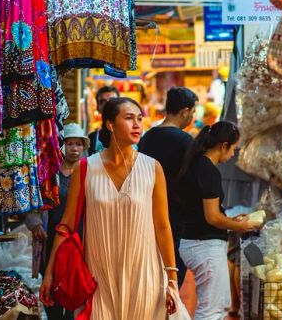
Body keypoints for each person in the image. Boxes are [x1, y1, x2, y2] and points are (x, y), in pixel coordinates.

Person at [40, 97, 179, 319]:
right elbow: (65, 226)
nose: (137, 125)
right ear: (110, 125)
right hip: (98, 276)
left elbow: (163, 227)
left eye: (140, 119)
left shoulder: (153, 168)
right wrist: (49, 273)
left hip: (144, 273)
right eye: (129, 118)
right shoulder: (86, 168)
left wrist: (172, 278)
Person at [178, 121, 262, 320]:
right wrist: (241, 226)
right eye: (233, 148)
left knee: (215, 306)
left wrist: (231, 220)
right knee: (213, 310)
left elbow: (207, 211)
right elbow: (212, 217)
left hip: (193, 242)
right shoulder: (208, 170)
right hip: (204, 246)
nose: (233, 154)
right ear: (223, 145)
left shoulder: (196, 164)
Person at [138, 86, 198, 288]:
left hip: (147, 212)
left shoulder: (147, 137)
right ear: (185, 111)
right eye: (193, 111)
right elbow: (192, 181)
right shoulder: (185, 141)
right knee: (172, 270)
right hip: (176, 216)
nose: (192, 116)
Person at [37, 123, 89, 320]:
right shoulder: (51, 174)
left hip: (78, 238)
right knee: (52, 286)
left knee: (73, 286)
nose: (74, 149)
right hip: (52, 238)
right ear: (61, 145)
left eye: (78, 144)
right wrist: (35, 225)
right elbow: (37, 203)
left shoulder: (87, 173)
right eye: (70, 144)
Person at [88, 86, 120, 155]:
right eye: (102, 101)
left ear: (120, 105)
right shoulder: (91, 139)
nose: (108, 104)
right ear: (98, 107)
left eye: (112, 100)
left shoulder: (135, 135)